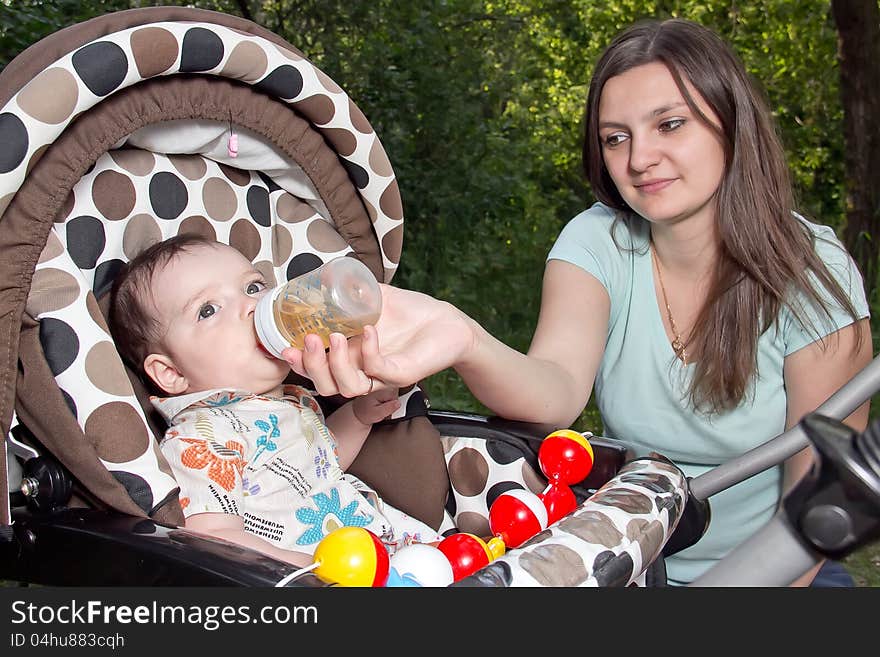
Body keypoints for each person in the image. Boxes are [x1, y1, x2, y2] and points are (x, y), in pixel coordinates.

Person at [282, 18, 873, 586]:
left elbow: (814, 499)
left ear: (731, 124)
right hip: (635, 565)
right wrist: (465, 338)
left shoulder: (813, 268)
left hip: (784, 571)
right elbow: (554, 395)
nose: (639, 159)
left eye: (670, 125)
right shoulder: (597, 242)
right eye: (617, 138)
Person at [108, 234, 442, 569]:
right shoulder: (202, 435)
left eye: (253, 287)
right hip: (324, 568)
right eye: (208, 310)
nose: (251, 305)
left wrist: (357, 416)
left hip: (381, 542)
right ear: (170, 372)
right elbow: (214, 533)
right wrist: (312, 571)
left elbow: (321, 463)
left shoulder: (290, 400)